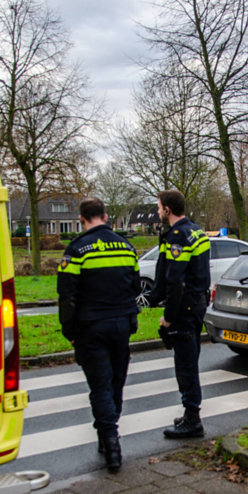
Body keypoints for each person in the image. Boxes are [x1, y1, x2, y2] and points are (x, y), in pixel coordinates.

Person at [57, 198, 141, 472]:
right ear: (105, 216)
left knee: (100, 386)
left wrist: (69, 330)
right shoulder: (127, 247)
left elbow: (67, 295)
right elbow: (136, 286)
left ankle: (110, 442)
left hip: (91, 328)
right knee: (115, 382)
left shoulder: (77, 249)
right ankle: (109, 434)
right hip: (121, 325)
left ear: (82, 219)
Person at [148, 190, 211, 439]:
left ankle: (193, 421)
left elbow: (176, 283)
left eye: (158, 207)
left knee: (185, 366)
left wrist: (169, 317)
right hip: (198, 305)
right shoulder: (196, 231)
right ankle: (189, 414)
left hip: (184, 309)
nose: (157, 211)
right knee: (190, 360)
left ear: (167, 210)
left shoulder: (178, 236)